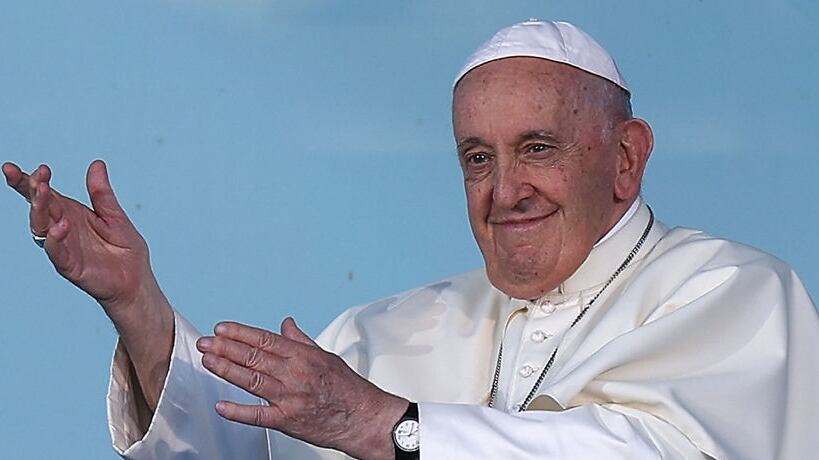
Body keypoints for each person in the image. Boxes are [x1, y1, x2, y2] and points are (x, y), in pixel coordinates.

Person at [4, 19, 818, 460]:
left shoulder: (733, 293)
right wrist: (137, 308)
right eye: (477, 159)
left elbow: (649, 453)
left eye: (537, 148)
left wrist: (387, 426)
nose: (504, 191)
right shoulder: (380, 334)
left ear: (627, 158)